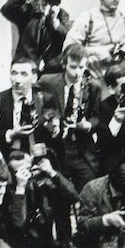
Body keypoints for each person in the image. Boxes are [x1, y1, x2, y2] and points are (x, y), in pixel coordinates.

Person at [42, 43, 102, 189]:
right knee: (59, 196)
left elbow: (97, 117)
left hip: (82, 150)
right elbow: (37, 107)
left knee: (89, 190)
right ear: (64, 64)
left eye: (81, 68)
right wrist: (46, 121)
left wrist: (88, 125)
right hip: (57, 148)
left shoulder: (94, 87)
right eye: (73, 67)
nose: (77, 73)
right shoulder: (47, 82)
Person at [0, 0, 72, 76]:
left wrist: (55, 22)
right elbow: (6, 9)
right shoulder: (25, 14)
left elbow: (68, 38)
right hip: (27, 67)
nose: (41, 1)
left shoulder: (61, 14)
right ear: (29, 0)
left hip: (52, 70)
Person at [0, 59, 53, 157]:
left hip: (38, 158)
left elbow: (53, 136)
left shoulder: (44, 99)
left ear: (34, 78)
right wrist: (10, 134)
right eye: (14, 73)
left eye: (23, 74)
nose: (17, 80)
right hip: (8, 159)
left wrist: (53, 129)